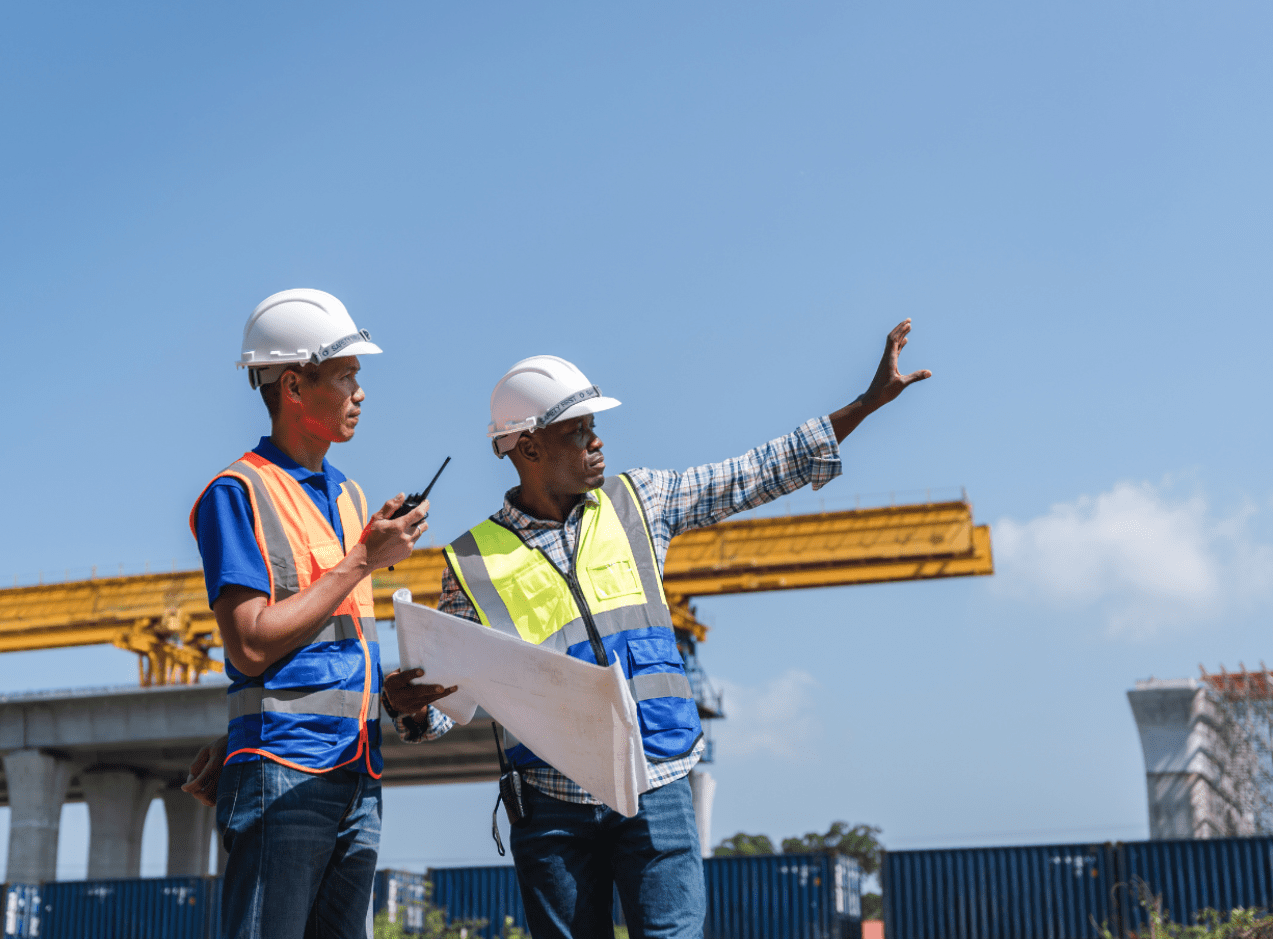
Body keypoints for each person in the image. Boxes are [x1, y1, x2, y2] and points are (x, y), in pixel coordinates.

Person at [380, 319, 932, 939]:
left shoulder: (640, 501)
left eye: (595, 427)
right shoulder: (474, 562)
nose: (598, 442)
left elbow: (752, 473)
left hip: (659, 783)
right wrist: (409, 708)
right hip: (551, 804)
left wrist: (864, 405)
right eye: (578, 430)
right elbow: (446, 707)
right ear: (528, 447)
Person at [183, 288, 433, 939]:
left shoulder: (352, 497)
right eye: (347, 374)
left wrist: (392, 694)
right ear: (294, 385)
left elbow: (334, 642)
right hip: (284, 775)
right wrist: (360, 561)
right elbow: (251, 647)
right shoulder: (238, 494)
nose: (361, 391)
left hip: (358, 774)